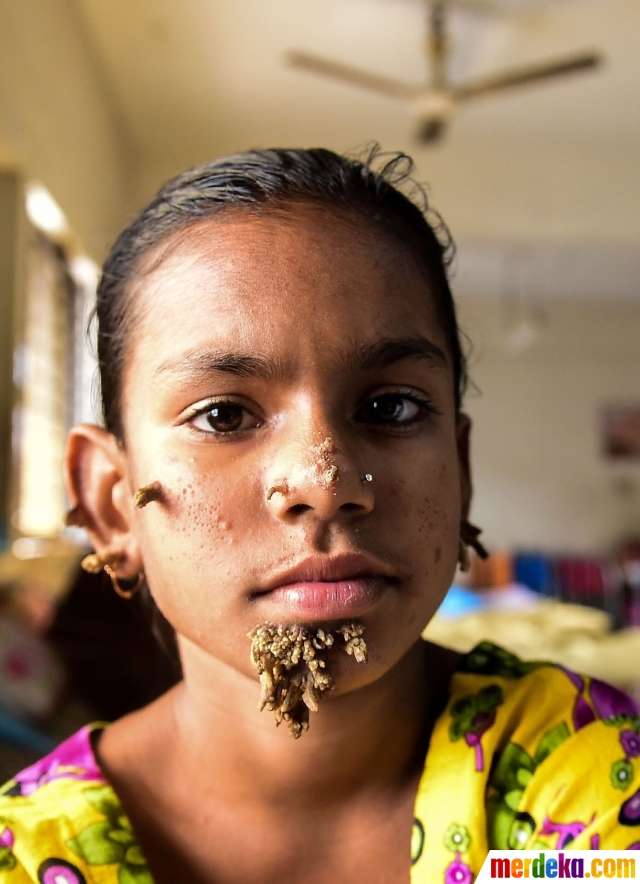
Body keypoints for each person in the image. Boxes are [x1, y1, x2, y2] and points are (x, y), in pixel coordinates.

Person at [1, 148, 638, 884]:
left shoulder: (577, 778)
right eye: (224, 415)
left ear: (459, 472)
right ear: (112, 504)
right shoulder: (30, 859)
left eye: (390, 407)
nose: (326, 483)